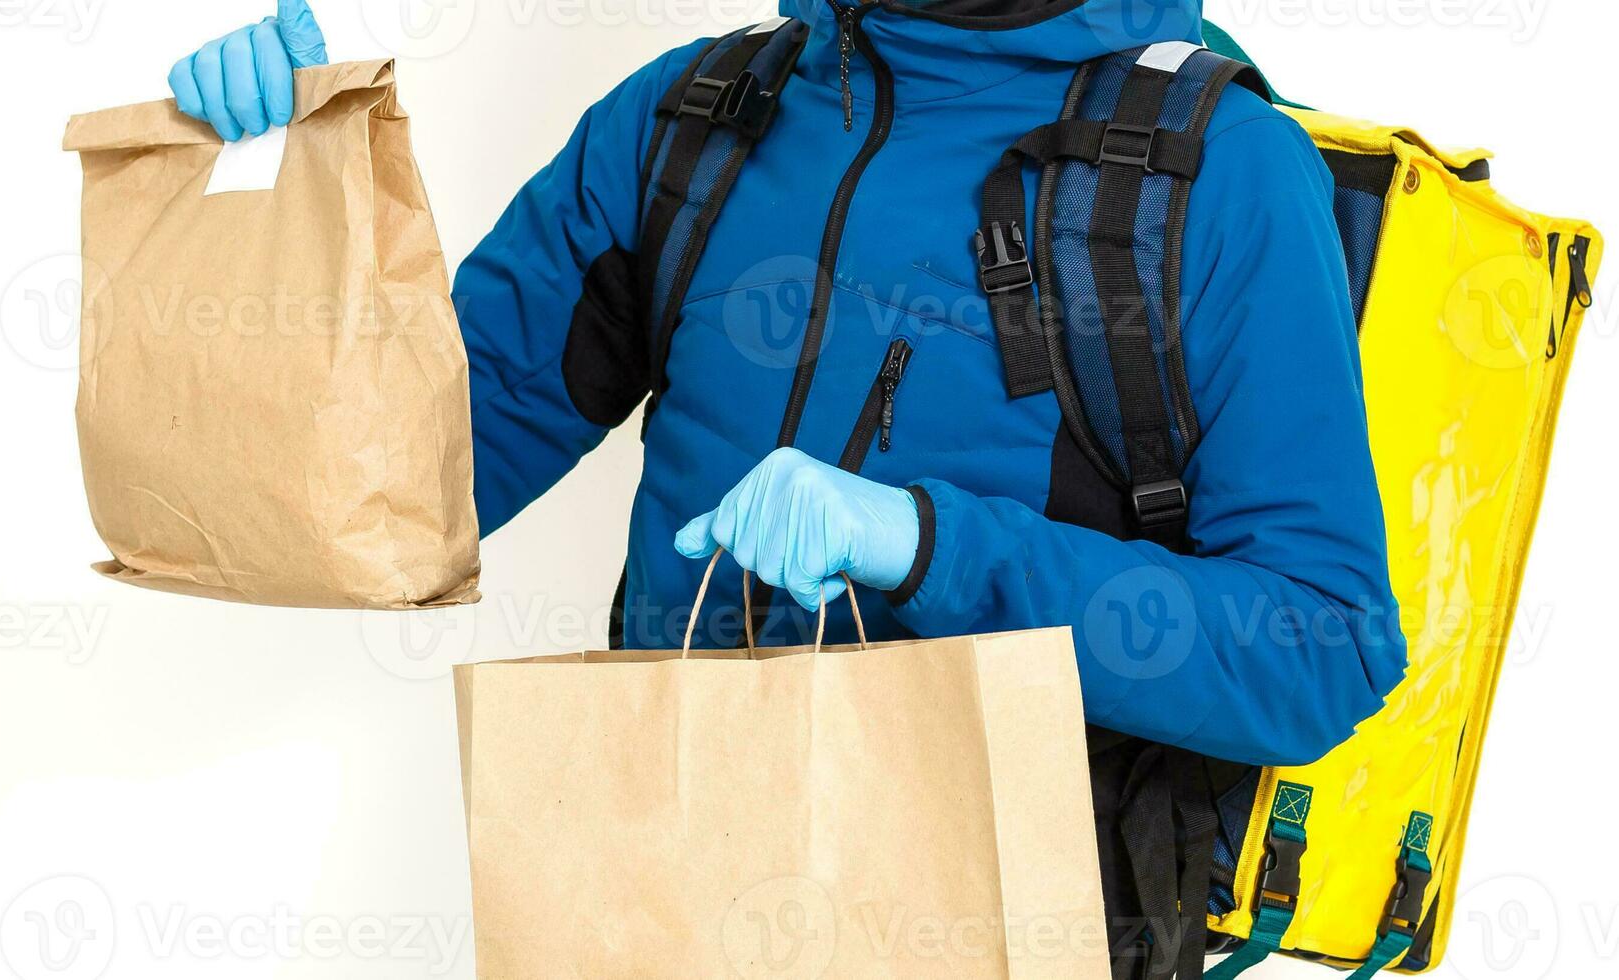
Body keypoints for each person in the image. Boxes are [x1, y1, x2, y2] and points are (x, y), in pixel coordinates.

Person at [169, 0, 1404, 770]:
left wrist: (927, 544)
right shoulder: (694, 121)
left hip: (1025, 917)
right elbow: (378, 505)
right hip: (655, 878)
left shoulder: (1222, 176)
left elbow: (1324, 650)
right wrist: (279, 200)